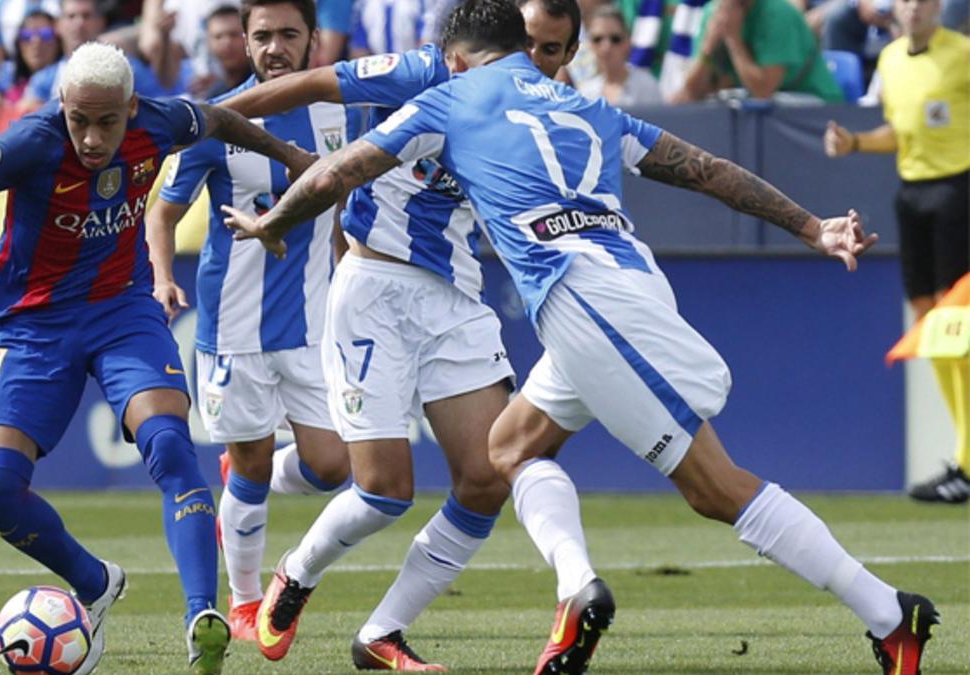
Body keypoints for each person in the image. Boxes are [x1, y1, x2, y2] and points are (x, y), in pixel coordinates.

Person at [223, 1, 941, 674]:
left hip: (586, 305)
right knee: (509, 448)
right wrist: (813, 226)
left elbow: (342, 170)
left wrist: (270, 224)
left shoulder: (453, 94)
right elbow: (707, 170)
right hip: (622, 281)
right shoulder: (588, 106)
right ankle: (571, 588)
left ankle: (887, 614)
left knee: (715, 487)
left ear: (460, 57)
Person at [0, 41, 313, 675]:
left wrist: (290, 157)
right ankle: (94, 582)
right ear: (61, 105)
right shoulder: (30, 142)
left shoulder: (163, 121)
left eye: (107, 122)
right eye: (78, 120)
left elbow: (221, 117)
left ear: (132, 107)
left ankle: (203, 614)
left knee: (171, 446)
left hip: (123, 310)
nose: (91, 138)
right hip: (35, 325)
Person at [214, 0, 581, 670]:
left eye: (553, 50)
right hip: (374, 291)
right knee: (384, 491)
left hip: (456, 298)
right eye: (529, 44)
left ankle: (382, 632)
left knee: (486, 477)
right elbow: (315, 82)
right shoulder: (423, 71)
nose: (538, 61)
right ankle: (294, 575)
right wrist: (210, 113)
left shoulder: (554, 109)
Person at [147, 0, 357, 643]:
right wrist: (161, 277)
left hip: (315, 325)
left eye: (288, 35)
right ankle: (244, 603)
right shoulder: (216, 120)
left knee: (335, 467)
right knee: (256, 466)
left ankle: (244, 474)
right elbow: (163, 214)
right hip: (233, 327)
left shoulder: (341, 112)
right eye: (262, 35)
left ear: (311, 39)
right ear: (244, 39)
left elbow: (345, 205)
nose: (274, 48)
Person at [825, 0, 970, 504]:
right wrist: (856, 144)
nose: (912, 9)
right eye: (905, 1)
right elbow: (900, 131)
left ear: (937, 8)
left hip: (958, 189)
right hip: (913, 193)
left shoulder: (962, 54)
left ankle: (968, 464)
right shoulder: (889, 60)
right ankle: (964, 461)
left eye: (923, 1)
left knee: (960, 326)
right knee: (930, 324)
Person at [672, 0, 845, 103]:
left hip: (813, 105)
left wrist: (733, 40)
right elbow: (692, 92)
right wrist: (708, 48)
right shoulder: (713, 13)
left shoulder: (777, 13)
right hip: (762, 107)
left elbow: (763, 91)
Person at [20, 0, 165, 110]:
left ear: (101, 22)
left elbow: (158, 106)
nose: (79, 23)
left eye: (86, 16)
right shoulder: (43, 80)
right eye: (71, 16)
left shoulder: (129, 70)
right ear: (58, 25)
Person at [577, 5, 663, 106]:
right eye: (598, 39)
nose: (606, 47)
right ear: (590, 44)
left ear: (627, 42)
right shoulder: (585, 92)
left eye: (615, 39)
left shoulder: (647, 87)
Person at [0, 10, 63, 103]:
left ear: (58, 42)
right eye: (27, 36)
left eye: (46, 35)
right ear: (18, 44)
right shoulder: (8, 76)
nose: (36, 42)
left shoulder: (66, 75)